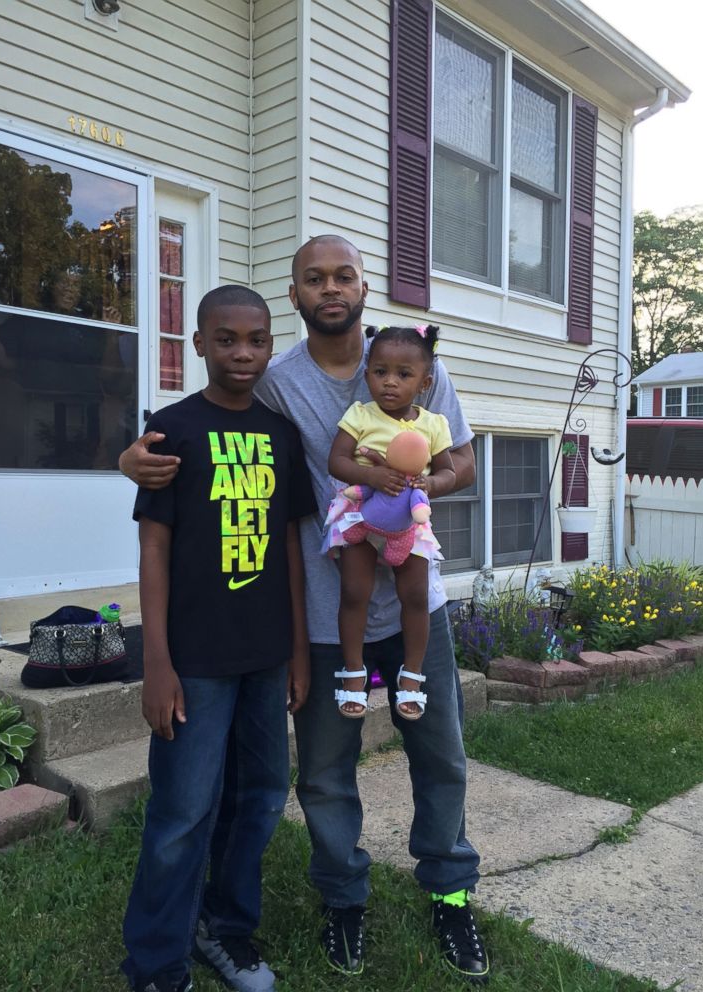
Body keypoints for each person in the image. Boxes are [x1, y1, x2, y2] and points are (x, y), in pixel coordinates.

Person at [120, 236, 490, 986]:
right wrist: (126, 459)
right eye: (314, 278)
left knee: (441, 754)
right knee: (323, 772)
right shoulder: (278, 381)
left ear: (363, 286)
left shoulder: (414, 360)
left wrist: (408, 491)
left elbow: (465, 461)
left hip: (420, 601)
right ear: (295, 295)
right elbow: (200, 428)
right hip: (326, 614)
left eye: (343, 276)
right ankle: (342, 898)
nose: (331, 288)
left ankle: (450, 890)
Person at [120, 284, 317, 992]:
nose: (242, 352)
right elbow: (154, 550)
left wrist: (296, 650)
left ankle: (225, 929)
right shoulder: (170, 429)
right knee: (182, 813)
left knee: (260, 796)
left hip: (266, 657)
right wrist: (157, 661)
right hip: (194, 663)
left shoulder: (282, 435)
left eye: (256, 339)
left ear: (271, 344)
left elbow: (291, 549)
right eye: (226, 339)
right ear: (198, 343)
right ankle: (154, 963)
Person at [324, 323, 457, 720]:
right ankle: (352, 674)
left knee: (415, 596)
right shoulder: (360, 415)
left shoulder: (433, 424)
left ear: (425, 382)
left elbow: (450, 472)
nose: (390, 383)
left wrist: (429, 483)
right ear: (367, 375)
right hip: (362, 516)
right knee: (354, 592)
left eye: (404, 374)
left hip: (408, 524)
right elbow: (337, 461)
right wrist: (372, 476)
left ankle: (412, 677)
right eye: (380, 372)